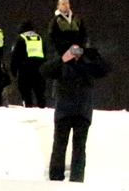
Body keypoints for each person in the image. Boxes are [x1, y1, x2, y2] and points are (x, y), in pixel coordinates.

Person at [44, 43, 109, 182]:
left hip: (81, 112)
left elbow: (105, 70)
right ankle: (56, 178)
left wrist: (93, 55)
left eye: (79, 49)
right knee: (60, 146)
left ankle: (77, 179)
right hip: (66, 111)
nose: (76, 52)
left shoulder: (88, 63)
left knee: (78, 147)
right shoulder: (63, 60)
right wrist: (63, 58)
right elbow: (45, 71)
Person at [12, 22, 47, 108]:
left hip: (25, 69)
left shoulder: (21, 38)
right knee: (39, 92)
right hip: (39, 69)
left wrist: (14, 70)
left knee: (26, 91)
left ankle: (28, 108)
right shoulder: (39, 38)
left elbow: (15, 56)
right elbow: (45, 53)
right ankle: (42, 108)